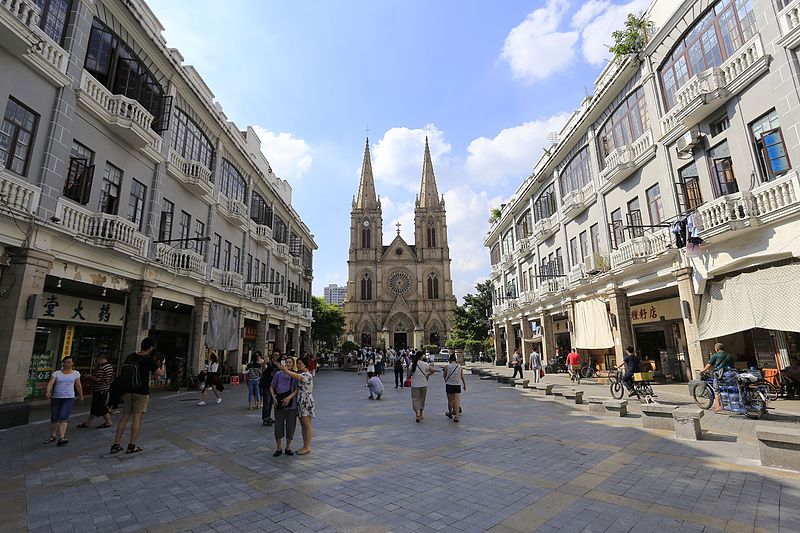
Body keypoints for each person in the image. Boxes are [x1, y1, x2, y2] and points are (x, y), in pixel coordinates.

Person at [110, 338, 164, 454]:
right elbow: (160, 374)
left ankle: (116, 444)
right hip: (141, 392)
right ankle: (132, 445)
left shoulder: (130, 356)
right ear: (150, 348)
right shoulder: (148, 360)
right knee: (137, 418)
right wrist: (163, 364)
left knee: (125, 416)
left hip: (127, 391)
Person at [280, 356, 315, 455]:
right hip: (301, 401)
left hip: (306, 401)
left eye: (300, 363)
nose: (298, 365)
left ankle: (307, 446)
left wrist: (285, 370)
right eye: (298, 363)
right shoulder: (301, 373)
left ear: (305, 364)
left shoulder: (307, 374)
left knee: (306, 424)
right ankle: (305, 445)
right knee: (303, 425)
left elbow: (297, 376)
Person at [45, 356, 84, 446]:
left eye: (69, 362)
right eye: (65, 362)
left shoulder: (76, 373)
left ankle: (62, 437)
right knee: (54, 417)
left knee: (63, 416)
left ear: (72, 363)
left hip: (68, 397)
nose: (66, 364)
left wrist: (81, 395)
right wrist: (48, 392)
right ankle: (53, 435)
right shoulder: (57, 373)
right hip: (56, 397)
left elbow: (78, 385)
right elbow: (50, 383)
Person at [270, 357, 298, 456]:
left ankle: (288, 447)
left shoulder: (295, 375)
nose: (288, 364)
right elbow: (272, 387)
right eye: (286, 362)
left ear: (293, 364)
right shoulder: (278, 374)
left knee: (291, 426)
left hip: (291, 405)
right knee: (278, 426)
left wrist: (289, 398)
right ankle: (278, 448)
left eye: (290, 362)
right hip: (279, 404)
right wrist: (273, 398)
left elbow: (296, 389)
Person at [77, 354, 114, 429]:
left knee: (101, 406)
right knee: (95, 407)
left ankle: (108, 421)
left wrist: (90, 376)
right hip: (104, 389)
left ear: (100, 359)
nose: (96, 362)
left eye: (97, 360)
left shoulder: (102, 367)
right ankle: (88, 422)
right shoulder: (109, 366)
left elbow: (98, 379)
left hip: (100, 390)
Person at [701, 342, 736, 413]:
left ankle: (718, 406)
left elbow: (709, 365)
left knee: (717, 391)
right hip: (730, 374)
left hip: (720, 375)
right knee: (730, 388)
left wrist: (703, 370)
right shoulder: (729, 355)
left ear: (717, 349)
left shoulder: (716, 355)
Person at [409, 351, 436, 423]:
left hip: (415, 385)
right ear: (421, 357)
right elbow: (433, 370)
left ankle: (417, 414)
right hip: (424, 384)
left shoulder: (412, 364)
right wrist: (428, 375)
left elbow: (409, 374)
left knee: (415, 399)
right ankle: (421, 414)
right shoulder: (425, 364)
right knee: (422, 399)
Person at [443, 354, 466, 423]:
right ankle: (456, 416)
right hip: (457, 385)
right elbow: (462, 377)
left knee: (450, 401)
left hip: (449, 385)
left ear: (449, 360)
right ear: (456, 360)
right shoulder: (460, 367)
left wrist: (446, 381)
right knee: (457, 401)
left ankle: (450, 413)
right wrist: (464, 385)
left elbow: (444, 375)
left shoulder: (446, 366)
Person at [261, 351, 280, 425]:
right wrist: (264, 363)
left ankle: (268, 417)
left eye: (277, 355)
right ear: (272, 355)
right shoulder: (269, 363)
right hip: (267, 385)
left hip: (275, 386)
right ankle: (265, 418)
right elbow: (264, 369)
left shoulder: (279, 364)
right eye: (275, 355)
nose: (276, 356)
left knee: (271, 402)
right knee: (267, 402)